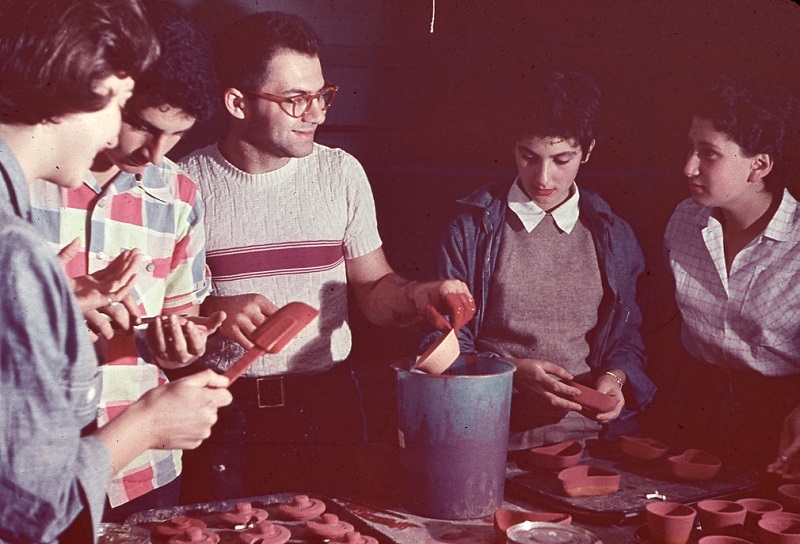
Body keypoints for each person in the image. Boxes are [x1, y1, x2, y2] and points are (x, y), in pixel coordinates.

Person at [178, 10, 474, 502]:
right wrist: (211, 311)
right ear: (236, 102)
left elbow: (376, 292)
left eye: (321, 95)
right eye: (295, 99)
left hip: (326, 406)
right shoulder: (185, 185)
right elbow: (164, 319)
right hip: (222, 412)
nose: (316, 113)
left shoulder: (341, 174)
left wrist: (421, 294)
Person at [0, 0, 231, 542]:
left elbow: (184, 316)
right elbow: (32, 505)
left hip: (138, 473)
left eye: (175, 137)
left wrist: (181, 345)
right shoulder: (28, 205)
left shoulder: (180, 195)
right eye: (129, 113)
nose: (152, 153)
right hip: (67, 471)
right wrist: (147, 421)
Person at [428, 71, 656, 452]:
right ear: (512, 147)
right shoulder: (470, 231)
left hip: (594, 442)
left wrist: (615, 379)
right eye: (528, 157)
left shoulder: (613, 234)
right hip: (489, 434)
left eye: (562, 159)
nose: (543, 177)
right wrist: (511, 371)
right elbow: (443, 340)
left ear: (588, 150)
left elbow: (628, 336)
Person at [661, 75, 800, 473]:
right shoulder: (684, 220)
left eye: (709, 154)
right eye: (691, 148)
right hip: (691, 412)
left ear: (759, 165)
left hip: (779, 422)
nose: (688, 166)